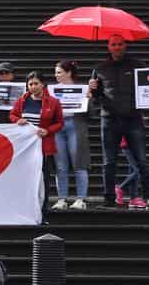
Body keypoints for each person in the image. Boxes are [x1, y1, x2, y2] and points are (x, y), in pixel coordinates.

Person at [89, 34, 149, 210]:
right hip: (109, 119)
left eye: (120, 44)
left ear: (125, 45)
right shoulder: (99, 68)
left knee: (141, 159)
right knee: (108, 161)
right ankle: (109, 198)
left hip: (133, 118)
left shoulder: (138, 66)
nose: (117, 47)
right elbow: (96, 98)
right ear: (108, 47)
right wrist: (92, 90)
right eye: (114, 44)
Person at [9, 71, 64, 214]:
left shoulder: (53, 102)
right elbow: (12, 114)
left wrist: (48, 130)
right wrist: (17, 120)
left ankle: (43, 208)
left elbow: (59, 123)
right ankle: (24, 208)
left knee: (44, 178)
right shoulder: (22, 100)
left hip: (43, 146)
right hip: (25, 146)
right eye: (30, 84)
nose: (33, 87)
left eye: (36, 83)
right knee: (24, 176)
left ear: (43, 84)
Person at [52, 60, 92, 210]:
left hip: (75, 125)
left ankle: (81, 199)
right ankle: (62, 199)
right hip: (58, 127)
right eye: (56, 72)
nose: (56, 75)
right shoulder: (52, 90)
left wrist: (88, 99)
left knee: (79, 163)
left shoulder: (81, 89)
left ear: (69, 73)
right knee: (60, 165)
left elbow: (91, 114)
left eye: (59, 72)